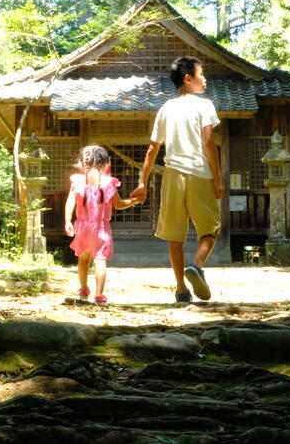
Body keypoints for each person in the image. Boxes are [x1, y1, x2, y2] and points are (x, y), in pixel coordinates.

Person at [131, 55, 223, 303]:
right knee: (210, 230)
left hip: (171, 176)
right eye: (201, 74)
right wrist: (218, 178)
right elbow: (208, 143)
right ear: (188, 78)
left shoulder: (165, 109)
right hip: (199, 173)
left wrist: (142, 183)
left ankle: (181, 289)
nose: (205, 79)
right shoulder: (204, 105)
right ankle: (196, 265)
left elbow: (152, 150)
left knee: (175, 235)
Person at [65, 145, 139, 303]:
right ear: (105, 163)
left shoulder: (78, 181)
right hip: (100, 229)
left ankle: (83, 289)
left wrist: (67, 221)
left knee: (83, 259)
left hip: (82, 227)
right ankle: (99, 295)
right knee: (100, 260)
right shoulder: (108, 183)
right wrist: (134, 201)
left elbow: (70, 201)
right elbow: (119, 204)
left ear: (82, 162)